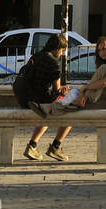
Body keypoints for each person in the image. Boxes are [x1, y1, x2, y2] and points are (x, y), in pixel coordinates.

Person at [22, 33, 74, 163]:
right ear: (57, 48)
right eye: (62, 50)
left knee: (48, 110)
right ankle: (56, 147)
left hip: (27, 98)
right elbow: (57, 91)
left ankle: (32, 145)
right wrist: (64, 90)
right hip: (42, 101)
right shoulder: (53, 63)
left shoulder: (36, 56)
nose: (62, 54)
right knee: (71, 110)